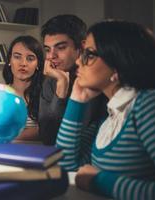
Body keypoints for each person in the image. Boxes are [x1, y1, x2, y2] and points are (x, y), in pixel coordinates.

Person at [56, 20, 155, 199]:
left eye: (89, 54)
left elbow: (90, 177)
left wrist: (100, 181)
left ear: (117, 64)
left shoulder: (150, 105)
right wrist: (77, 100)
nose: (78, 61)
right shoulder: (110, 118)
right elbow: (65, 166)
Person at [39, 14, 106, 145]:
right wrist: (61, 87)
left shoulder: (94, 80)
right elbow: (47, 137)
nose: (51, 56)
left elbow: (83, 137)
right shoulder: (51, 81)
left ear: (81, 47)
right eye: (47, 49)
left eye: (61, 47)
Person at [2, 35, 44, 141]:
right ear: (9, 61)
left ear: (38, 64)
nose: (23, 63)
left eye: (30, 58)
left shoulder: (45, 94)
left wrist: (8, 136)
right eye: (17, 56)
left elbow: (47, 130)